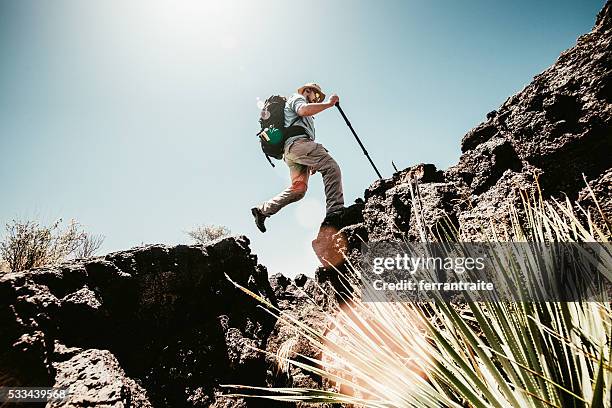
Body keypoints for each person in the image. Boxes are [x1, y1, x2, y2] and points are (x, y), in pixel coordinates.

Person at [251, 82, 345, 233]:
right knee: (331, 167)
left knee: (298, 190)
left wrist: (310, 161)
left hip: (292, 152)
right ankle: (335, 213)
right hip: (297, 145)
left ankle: (262, 210)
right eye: (316, 95)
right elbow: (303, 110)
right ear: (309, 91)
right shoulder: (298, 99)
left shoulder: (306, 110)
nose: (316, 98)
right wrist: (329, 104)